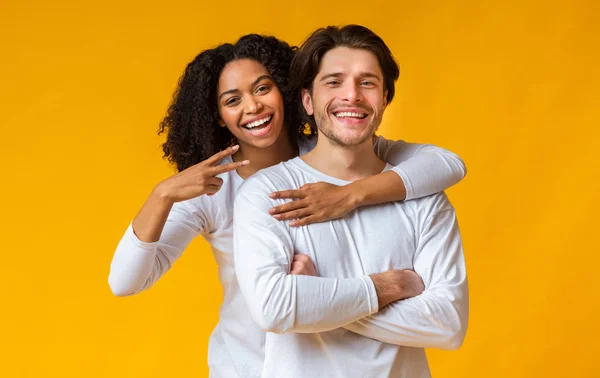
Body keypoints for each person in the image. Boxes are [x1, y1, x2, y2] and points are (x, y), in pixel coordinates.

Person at [109, 33, 467, 378]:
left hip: (330, 356)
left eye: (263, 88)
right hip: (246, 363)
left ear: (289, 93)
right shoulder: (214, 189)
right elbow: (125, 281)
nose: (253, 107)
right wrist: (163, 194)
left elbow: (447, 164)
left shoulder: (335, 147)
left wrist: (352, 194)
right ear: (217, 115)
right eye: (233, 100)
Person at [233, 25, 469, 378]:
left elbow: (448, 326)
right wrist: (391, 287)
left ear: (385, 98)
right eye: (334, 81)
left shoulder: (423, 198)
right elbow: (275, 309)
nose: (352, 96)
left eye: (367, 82)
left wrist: (316, 300)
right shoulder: (268, 193)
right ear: (308, 100)